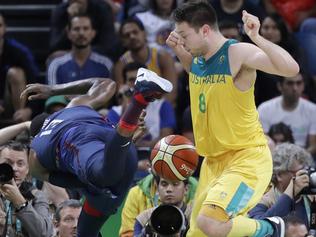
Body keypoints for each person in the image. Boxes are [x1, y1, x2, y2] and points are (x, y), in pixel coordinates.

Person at [166, 1, 299, 236]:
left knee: (210, 223)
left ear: (205, 30)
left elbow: (291, 69)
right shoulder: (197, 58)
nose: (181, 40)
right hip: (213, 164)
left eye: (184, 35)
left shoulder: (237, 53)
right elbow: (197, 75)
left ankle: (271, 228)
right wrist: (180, 50)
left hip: (246, 159)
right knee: (197, 233)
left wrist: (257, 37)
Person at [20, 68, 173, 237]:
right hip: (113, 145)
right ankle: (128, 124)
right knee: (86, 231)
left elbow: (74, 181)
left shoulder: (35, 154)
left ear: (34, 137)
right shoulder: (74, 106)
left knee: (102, 177)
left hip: (84, 147)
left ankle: (140, 98)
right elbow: (106, 84)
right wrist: (53, 90)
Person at [248, 143, 314, 228]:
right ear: (279, 175)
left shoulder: (311, 197)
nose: (304, 176)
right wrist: (290, 191)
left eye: (305, 170)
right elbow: (261, 227)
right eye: (298, 172)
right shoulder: (263, 200)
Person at [115, 18, 177, 104]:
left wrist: (155, 110)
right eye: (127, 35)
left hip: (160, 107)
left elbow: (171, 93)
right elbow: (121, 98)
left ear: (144, 34)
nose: (132, 36)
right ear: (123, 42)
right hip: (134, 109)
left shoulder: (163, 56)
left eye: (135, 32)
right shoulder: (121, 65)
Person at [0, 141, 53, 237]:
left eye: (20, 164)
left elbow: (45, 233)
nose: (14, 168)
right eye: (7, 163)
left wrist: (21, 204)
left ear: (28, 169)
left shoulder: (36, 196)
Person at [119, 172, 197, 237]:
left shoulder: (195, 216)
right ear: (157, 188)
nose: (169, 189)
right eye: (164, 184)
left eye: (175, 184)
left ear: (186, 189)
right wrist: (147, 231)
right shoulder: (144, 217)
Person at [258, 73, 316, 156]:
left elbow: (313, 146)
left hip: (302, 158)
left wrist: (297, 159)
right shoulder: (264, 109)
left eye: (299, 83)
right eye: (290, 83)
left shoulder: (313, 110)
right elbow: (262, 143)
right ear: (280, 86)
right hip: (272, 157)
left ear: (303, 86)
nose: (295, 88)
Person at [47, 14, 113, 85]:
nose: (81, 33)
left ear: (93, 33)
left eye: (86, 28)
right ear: (68, 33)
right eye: (76, 29)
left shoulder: (106, 64)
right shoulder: (56, 65)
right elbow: (52, 95)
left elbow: (110, 94)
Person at [0, 13, 40, 124]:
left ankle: (19, 124)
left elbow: (34, 82)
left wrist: (30, 109)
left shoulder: (18, 52)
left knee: (16, 73)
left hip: (11, 104)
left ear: (4, 28)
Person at [49, 0, 118, 60]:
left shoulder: (102, 8)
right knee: (55, 57)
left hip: (98, 54)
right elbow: (54, 46)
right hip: (70, 57)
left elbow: (108, 45)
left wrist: (80, 53)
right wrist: (71, 20)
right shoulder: (59, 11)